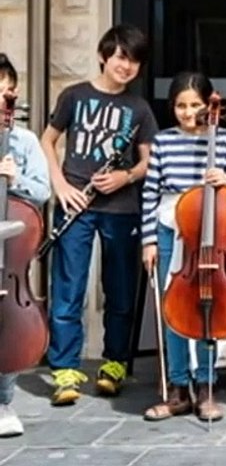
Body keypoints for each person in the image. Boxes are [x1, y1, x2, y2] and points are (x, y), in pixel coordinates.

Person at [41, 24, 159, 405]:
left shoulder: (139, 108)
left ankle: (115, 363)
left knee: (121, 290)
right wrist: (60, 185)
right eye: (122, 56)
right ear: (104, 55)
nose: (127, 66)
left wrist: (126, 176)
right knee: (68, 287)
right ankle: (64, 369)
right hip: (76, 204)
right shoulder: (74, 95)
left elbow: (148, 161)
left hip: (122, 207)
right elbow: (48, 139)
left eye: (134, 60)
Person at [139, 72, 226, 422]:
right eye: (181, 106)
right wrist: (149, 239)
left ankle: (206, 385)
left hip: (210, 229)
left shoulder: (225, 138)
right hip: (171, 223)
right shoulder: (163, 141)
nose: (188, 113)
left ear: (208, 106)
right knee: (172, 309)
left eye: (196, 106)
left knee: (208, 307)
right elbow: (150, 192)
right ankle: (176, 388)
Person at [0, 54, 52, 437]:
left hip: (9, 252)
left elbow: (41, 191)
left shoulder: (25, 141)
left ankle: (3, 402)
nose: (3, 102)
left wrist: (13, 178)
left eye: (7, 94)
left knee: (10, 322)